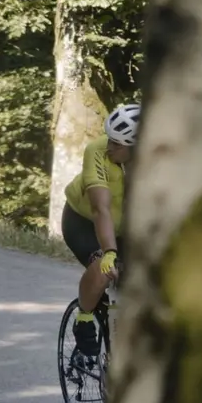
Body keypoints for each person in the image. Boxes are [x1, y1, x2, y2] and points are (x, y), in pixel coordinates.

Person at [61, 103, 140, 357]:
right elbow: (100, 209)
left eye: (118, 144)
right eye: (111, 139)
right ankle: (83, 319)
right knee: (106, 267)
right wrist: (108, 251)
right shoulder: (97, 151)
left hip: (125, 229)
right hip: (83, 222)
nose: (110, 146)